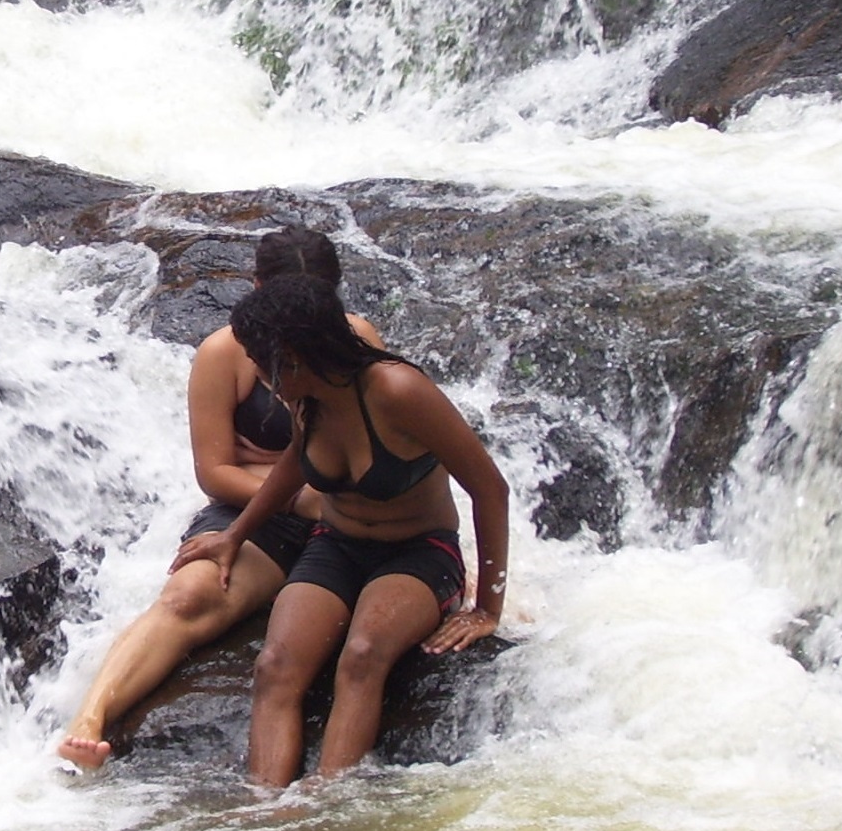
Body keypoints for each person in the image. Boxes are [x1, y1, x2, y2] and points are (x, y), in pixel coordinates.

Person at [57, 228, 381, 770]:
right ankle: (90, 718)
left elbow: (383, 453)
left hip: (346, 507)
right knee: (189, 595)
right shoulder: (224, 354)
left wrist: (276, 470)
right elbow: (215, 473)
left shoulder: (358, 339)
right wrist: (297, 495)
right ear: (256, 289)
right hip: (266, 513)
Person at [171, 272, 508, 787]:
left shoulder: (399, 390)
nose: (256, 374)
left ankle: (328, 805)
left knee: (362, 655)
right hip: (336, 545)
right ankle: (265, 812)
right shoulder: (308, 398)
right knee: (275, 665)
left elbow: (491, 489)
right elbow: (292, 467)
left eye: (261, 361)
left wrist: (487, 607)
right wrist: (234, 534)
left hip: (418, 552)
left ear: (293, 356)